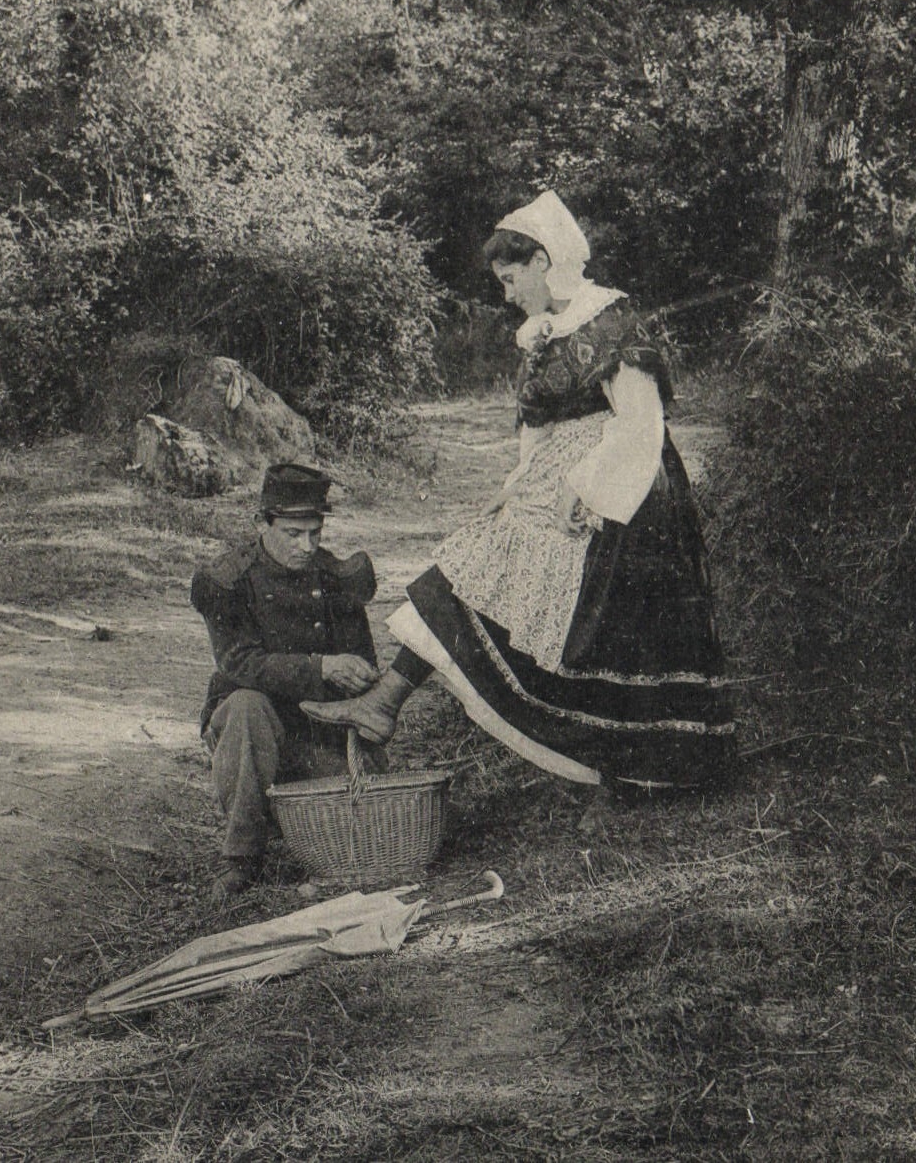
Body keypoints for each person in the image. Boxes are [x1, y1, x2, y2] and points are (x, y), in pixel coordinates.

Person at [303, 191, 736, 794]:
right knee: (473, 563)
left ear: (541, 261)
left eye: (510, 279)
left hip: (625, 495)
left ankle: (629, 775)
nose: (507, 294)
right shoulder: (541, 333)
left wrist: (584, 490)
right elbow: (540, 429)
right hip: (556, 487)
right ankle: (386, 702)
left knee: (606, 640)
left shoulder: (610, 321)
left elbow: (641, 422)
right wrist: (512, 489)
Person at [191, 462, 384, 902]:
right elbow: (239, 663)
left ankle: (298, 828)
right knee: (246, 706)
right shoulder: (230, 580)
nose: (307, 545)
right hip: (253, 727)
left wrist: (359, 675)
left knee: (359, 826)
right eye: (294, 533)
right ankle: (240, 856)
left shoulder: (337, 577)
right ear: (263, 523)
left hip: (318, 728)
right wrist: (319, 667)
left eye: (315, 532)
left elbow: (362, 661)